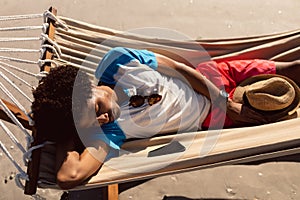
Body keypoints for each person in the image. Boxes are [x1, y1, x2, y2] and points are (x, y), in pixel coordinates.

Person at [31, 47, 300, 189]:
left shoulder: (117, 62)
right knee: (282, 119)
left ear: (87, 85)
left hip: (212, 77)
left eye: (95, 108)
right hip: (212, 121)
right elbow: (70, 176)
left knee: (293, 70)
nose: (102, 117)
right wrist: (66, 132)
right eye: (93, 121)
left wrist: (225, 101)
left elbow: (179, 68)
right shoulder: (110, 133)